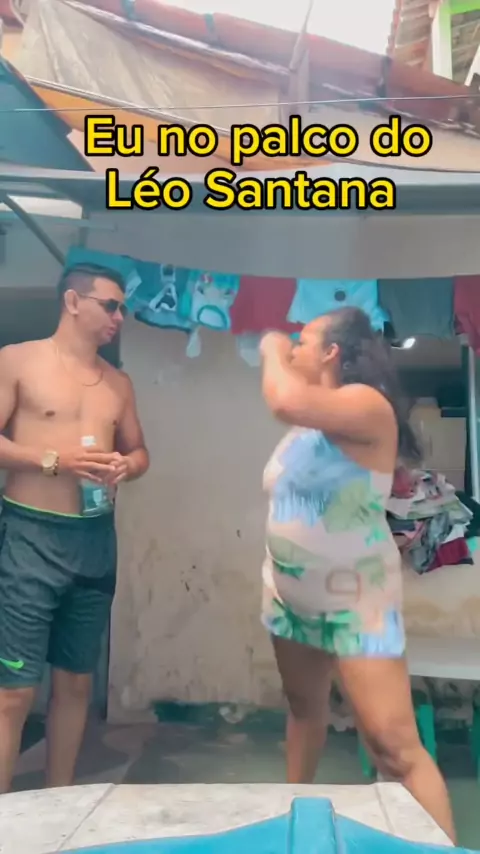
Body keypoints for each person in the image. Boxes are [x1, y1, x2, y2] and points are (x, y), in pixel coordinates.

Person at [260, 307, 455, 842]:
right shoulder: (310, 424)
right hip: (289, 598)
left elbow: (281, 398)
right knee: (304, 711)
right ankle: (292, 828)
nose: (293, 348)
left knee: (394, 748)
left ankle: (443, 849)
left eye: (303, 341)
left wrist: (270, 347)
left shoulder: (367, 406)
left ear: (331, 353)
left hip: (355, 604)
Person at [0, 262, 149, 792]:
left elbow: (140, 452)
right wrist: (54, 461)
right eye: (110, 305)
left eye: (123, 308)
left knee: (76, 684)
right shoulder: (18, 360)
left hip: (93, 540)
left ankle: (58, 803)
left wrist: (126, 466)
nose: (119, 317)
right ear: (72, 302)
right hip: (30, 536)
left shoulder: (118, 383)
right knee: (14, 691)